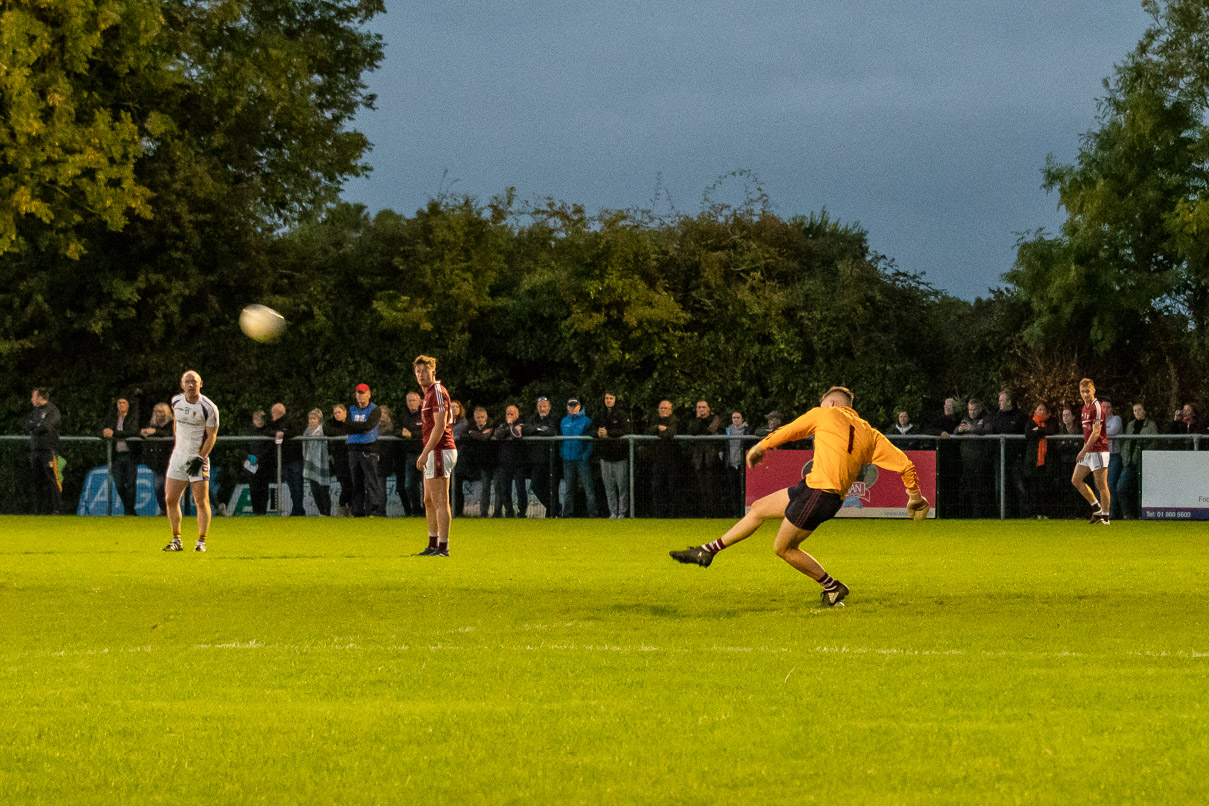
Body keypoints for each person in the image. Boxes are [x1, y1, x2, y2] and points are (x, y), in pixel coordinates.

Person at [670, 386, 929, 608]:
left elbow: (790, 430)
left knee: (783, 548)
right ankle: (708, 551)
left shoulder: (824, 413)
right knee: (759, 508)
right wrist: (914, 495)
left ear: (830, 403)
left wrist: (761, 446)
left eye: (821, 403)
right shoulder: (870, 433)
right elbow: (906, 464)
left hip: (819, 494)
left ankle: (833, 587)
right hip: (815, 489)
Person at [163, 370, 219, 551]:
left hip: (197, 458)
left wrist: (200, 457)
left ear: (201, 384)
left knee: (201, 501)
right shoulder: (176, 401)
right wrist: (178, 445)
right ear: (182, 384)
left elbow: (212, 436)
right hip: (178, 456)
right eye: (187, 381)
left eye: (194, 381)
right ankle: (176, 540)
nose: (191, 385)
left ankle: (201, 541)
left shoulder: (209, 407)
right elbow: (176, 424)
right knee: (171, 498)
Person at [413, 355, 458, 556]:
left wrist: (425, 452)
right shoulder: (428, 394)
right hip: (434, 450)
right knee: (428, 500)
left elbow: (440, 426)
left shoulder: (437, 391)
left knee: (440, 500)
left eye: (425, 370)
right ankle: (432, 544)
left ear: (433, 371)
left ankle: (443, 547)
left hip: (440, 449)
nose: (421, 375)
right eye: (418, 371)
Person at [1072, 378, 1112, 524]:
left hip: (1099, 450)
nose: (1085, 394)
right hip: (1089, 451)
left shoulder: (1098, 407)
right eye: (1082, 392)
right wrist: (1085, 450)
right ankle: (1097, 508)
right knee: (1076, 479)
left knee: (1101, 484)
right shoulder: (1084, 408)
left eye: (1087, 391)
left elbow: (1096, 433)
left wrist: (1083, 451)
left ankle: (1106, 518)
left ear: (1093, 390)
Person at [346, 382, 384, 518]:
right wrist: (359, 427)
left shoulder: (375, 409)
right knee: (356, 482)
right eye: (358, 393)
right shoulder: (350, 409)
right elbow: (347, 425)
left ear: (369, 394)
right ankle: (357, 511)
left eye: (363, 393)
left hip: (369, 449)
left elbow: (368, 426)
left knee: (371, 481)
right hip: (353, 449)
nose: (361, 396)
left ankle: (374, 510)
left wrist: (356, 427)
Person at [593, 392, 630, 519]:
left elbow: (625, 430)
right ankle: (612, 512)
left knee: (622, 487)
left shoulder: (621, 414)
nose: (608, 400)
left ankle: (622, 512)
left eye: (611, 398)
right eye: (606, 398)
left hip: (619, 457)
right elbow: (591, 429)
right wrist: (598, 433)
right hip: (605, 457)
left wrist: (608, 433)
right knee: (609, 487)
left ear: (615, 399)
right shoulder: (600, 414)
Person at [25, 387, 62, 515]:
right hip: (36, 450)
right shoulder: (35, 411)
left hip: (48, 449)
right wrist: (37, 426)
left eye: (33, 397)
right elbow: (28, 425)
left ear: (40, 398)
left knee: (52, 479)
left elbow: (46, 426)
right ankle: (38, 511)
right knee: (37, 481)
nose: (31, 399)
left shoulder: (53, 410)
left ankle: (56, 510)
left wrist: (36, 426)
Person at [101, 397, 140, 515]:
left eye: (124, 403)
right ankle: (129, 509)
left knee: (130, 483)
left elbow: (131, 431)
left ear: (128, 405)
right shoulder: (112, 418)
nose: (121, 405)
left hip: (130, 455)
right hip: (117, 455)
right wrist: (104, 432)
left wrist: (114, 434)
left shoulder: (132, 418)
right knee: (118, 483)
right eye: (119, 403)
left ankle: (129, 511)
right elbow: (100, 428)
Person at [1117, 403, 1157, 520]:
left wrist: (1145, 453)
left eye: (1139, 409)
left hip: (1143, 462)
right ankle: (1127, 514)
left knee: (1142, 490)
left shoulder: (1151, 425)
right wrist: (1124, 455)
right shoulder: (1130, 425)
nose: (1137, 412)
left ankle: (1143, 514)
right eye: (1135, 410)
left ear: (1145, 411)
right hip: (1128, 462)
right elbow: (1125, 442)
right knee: (1121, 488)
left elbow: (1155, 441)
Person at [522, 396, 560, 517]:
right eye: (540, 406)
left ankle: (552, 513)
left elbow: (552, 431)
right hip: (537, 459)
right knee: (535, 485)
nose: (542, 409)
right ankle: (554, 507)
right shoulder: (533, 418)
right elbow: (526, 429)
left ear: (549, 407)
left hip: (552, 459)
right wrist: (539, 428)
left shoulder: (554, 418)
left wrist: (536, 431)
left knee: (552, 488)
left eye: (544, 406)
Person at [956, 398, 994, 518]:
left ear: (979, 409)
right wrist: (959, 429)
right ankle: (965, 515)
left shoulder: (986, 419)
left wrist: (972, 430)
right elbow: (955, 431)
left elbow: (988, 430)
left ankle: (979, 515)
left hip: (981, 461)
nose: (972, 412)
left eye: (974, 409)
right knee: (965, 489)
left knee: (979, 490)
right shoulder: (966, 420)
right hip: (966, 462)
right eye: (970, 409)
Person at [993, 391, 1028, 518]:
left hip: (1015, 458)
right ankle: (1003, 516)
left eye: (1002, 400)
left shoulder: (1020, 416)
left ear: (1009, 402)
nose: (999, 403)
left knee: (1020, 487)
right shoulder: (997, 416)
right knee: (1000, 489)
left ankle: (1024, 516)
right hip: (1000, 458)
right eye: (999, 400)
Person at [686, 400, 723, 517]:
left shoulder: (715, 420)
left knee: (712, 487)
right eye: (699, 407)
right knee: (701, 488)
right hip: (699, 459)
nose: (701, 409)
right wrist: (698, 420)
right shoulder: (694, 421)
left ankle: (715, 513)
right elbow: (692, 431)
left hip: (711, 459)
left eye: (703, 407)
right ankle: (705, 513)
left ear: (708, 409)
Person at [560, 398, 596, 517]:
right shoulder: (564, 421)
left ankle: (592, 513)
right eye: (570, 405)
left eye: (575, 405)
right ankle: (567, 514)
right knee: (569, 489)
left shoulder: (586, 421)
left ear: (579, 406)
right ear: (567, 407)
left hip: (581, 459)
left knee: (588, 488)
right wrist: (563, 453)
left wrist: (585, 455)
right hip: (568, 459)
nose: (573, 408)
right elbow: (561, 440)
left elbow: (591, 440)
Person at [268, 402, 305, 516]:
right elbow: (268, 431)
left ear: (278, 412)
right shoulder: (273, 425)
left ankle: (298, 510)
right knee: (292, 487)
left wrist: (283, 434)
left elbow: (297, 432)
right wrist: (276, 433)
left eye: (273, 412)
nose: (272, 414)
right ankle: (297, 509)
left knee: (297, 485)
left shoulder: (291, 422)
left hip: (295, 459)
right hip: (283, 461)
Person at [1022, 402, 1057, 518]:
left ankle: (1046, 513)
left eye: (1043, 409)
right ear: (1035, 411)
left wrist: (1038, 430)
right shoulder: (1031, 421)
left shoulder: (1051, 421)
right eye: (1039, 409)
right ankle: (1035, 513)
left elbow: (1051, 430)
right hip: (1033, 460)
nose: (1042, 411)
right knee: (1033, 488)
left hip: (1047, 460)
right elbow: (1028, 434)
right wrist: (1041, 430)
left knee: (1045, 488)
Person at [492, 404, 528, 517]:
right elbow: (498, 434)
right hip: (504, 462)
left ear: (517, 414)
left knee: (520, 489)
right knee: (505, 489)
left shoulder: (521, 425)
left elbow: (516, 435)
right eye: (508, 414)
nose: (509, 416)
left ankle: (522, 512)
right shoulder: (502, 425)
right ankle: (509, 512)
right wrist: (508, 428)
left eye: (512, 414)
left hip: (518, 462)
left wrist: (510, 426)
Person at [646, 399, 679, 517]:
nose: (663, 410)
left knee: (672, 488)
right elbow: (648, 431)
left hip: (671, 459)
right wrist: (659, 428)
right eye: (661, 408)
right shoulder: (655, 420)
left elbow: (670, 434)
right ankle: (658, 514)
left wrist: (661, 431)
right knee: (656, 488)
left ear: (670, 410)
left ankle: (672, 514)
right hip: (657, 459)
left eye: (666, 408)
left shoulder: (674, 420)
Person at [140, 402, 174, 515]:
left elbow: (168, 434)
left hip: (172, 462)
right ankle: (164, 510)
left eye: (161, 411)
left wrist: (155, 432)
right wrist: (143, 433)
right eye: (156, 411)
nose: (158, 414)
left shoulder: (173, 424)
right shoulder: (152, 425)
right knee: (158, 487)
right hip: (158, 462)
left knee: (171, 489)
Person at [463, 406, 496, 517]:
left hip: (494, 461)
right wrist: (478, 434)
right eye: (478, 417)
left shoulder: (492, 426)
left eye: (482, 417)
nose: (480, 419)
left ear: (486, 417)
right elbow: (463, 435)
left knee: (498, 488)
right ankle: (483, 513)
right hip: (481, 463)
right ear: (474, 418)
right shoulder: (470, 427)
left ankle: (498, 512)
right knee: (485, 489)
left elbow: (486, 436)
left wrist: (474, 434)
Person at [397, 391, 425, 516]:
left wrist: (412, 435)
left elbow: (427, 432)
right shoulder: (403, 415)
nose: (411, 403)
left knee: (426, 486)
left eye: (414, 400)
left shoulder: (425, 415)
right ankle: (416, 510)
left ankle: (426, 510)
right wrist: (401, 433)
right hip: (409, 454)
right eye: (409, 400)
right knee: (409, 485)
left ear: (419, 402)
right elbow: (396, 429)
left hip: (424, 454)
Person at [302, 408, 332, 516]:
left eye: (314, 418)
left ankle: (327, 513)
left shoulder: (323, 431)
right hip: (310, 464)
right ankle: (321, 512)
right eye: (310, 418)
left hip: (322, 463)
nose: (311, 421)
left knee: (323, 490)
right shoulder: (306, 432)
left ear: (319, 420)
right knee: (314, 490)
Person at [244, 410, 273, 516]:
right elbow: (244, 447)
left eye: (261, 419)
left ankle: (263, 512)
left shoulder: (268, 432)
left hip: (264, 465)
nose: (259, 421)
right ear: (253, 420)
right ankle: (256, 511)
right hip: (251, 465)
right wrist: (249, 457)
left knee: (264, 489)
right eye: (256, 419)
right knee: (254, 489)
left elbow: (269, 448)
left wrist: (259, 458)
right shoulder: (249, 432)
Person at [724, 411, 751, 517]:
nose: (735, 419)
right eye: (733, 417)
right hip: (731, 462)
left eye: (738, 418)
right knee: (733, 489)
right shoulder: (728, 431)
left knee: (743, 489)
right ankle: (736, 513)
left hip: (742, 463)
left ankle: (743, 512)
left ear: (742, 419)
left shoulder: (747, 430)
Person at [1102, 399, 1125, 521]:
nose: (1105, 409)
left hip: (1113, 456)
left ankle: (1112, 514)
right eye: (1103, 407)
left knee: (1110, 484)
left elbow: (1112, 432)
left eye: (1108, 407)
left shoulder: (1116, 419)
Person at [328, 404, 352, 516]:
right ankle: (343, 508)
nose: (337, 415)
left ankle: (350, 509)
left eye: (339, 412)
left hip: (352, 459)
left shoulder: (351, 424)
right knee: (345, 485)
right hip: (340, 461)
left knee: (352, 486)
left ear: (345, 412)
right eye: (335, 413)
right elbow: (330, 432)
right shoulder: (332, 425)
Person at [449, 400, 470, 517]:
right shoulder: (445, 422)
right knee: (448, 487)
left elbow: (464, 437)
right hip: (446, 457)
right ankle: (449, 511)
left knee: (457, 486)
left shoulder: (464, 423)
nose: (454, 409)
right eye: (451, 407)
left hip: (459, 457)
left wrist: (455, 437)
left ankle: (459, 512)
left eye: (456, 407)